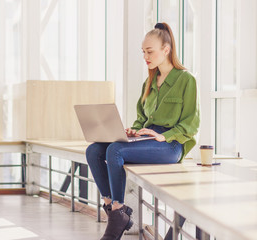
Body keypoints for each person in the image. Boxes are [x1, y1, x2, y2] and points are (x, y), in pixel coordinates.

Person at [86, 22, 200, 240]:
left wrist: (162, 135)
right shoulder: (149, 82)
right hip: (147, 139)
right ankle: (111, 207)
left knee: (115, 151)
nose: (145, 57)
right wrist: (133, 131)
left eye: (150, 51)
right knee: (93, 150)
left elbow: (191, 124)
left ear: (166, 50)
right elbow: (141, 119)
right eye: (143, 52)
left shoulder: (187, 80)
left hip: (170, 145)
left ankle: (118, 211)